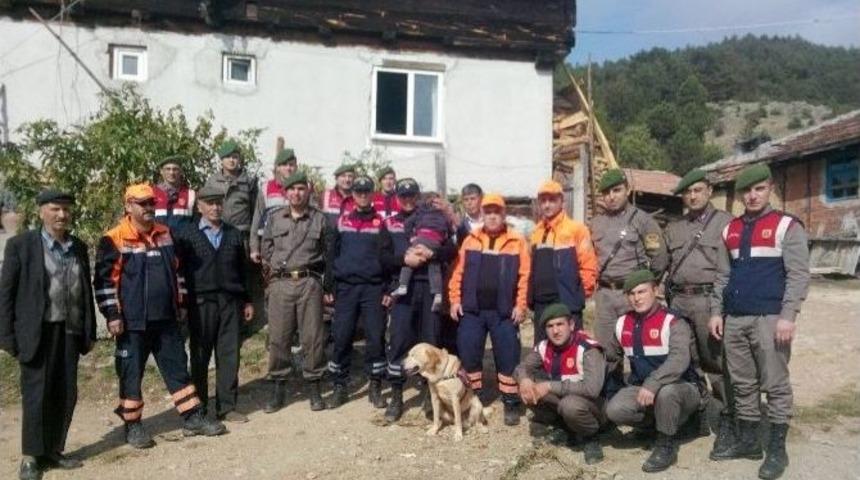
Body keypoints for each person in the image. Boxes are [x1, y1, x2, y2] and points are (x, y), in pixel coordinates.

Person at [94, 184, 226, 449]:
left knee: (178, 369)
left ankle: (193, 418)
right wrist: (112, 314)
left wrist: (182, 303)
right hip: (132, 324)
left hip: (166, 319)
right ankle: (133, 426)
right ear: (128, 206)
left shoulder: (166, 234)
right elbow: (105, 283)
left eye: (151, 203)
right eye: (142, 203)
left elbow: (178, 274)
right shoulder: (114, 238)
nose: (148, 208)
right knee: (131, 374)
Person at [708, 164, 809, 480]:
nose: (752, 196)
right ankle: (749, 442)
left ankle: (777, 449)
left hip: (770, 319)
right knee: (742, 384)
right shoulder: (731, 229)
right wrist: (715, 311)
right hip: (735, 319)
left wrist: (788, 316)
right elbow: (723, 276)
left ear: (771, 189)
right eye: (746, 191)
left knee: (776, 383)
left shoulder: (787, 226)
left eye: (759, 189)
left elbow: (798, 275)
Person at [0, 191, 96, 480]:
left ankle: (53, 450)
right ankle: (31, 456)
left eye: (66, 210)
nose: (61, 215)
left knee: (65, 393)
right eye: (55, 209)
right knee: (36, 394)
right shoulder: (21, 245)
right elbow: (6, 292)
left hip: (69, 329)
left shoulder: (77, 246)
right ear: (41, 211)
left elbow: (85, 291)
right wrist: (6, 335)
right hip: (36, 331)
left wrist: (89, 330)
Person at [605, 270, 702, 473]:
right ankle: (654, 426)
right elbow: (612, 359)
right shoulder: (622, 323)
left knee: (667, 393)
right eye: (632, 294)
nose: (637, 298)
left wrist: (653, 383)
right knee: (615, 409)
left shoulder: (674, 321)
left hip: (682, 387)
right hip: (644, 389)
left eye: (642, 292)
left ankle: (666, 443)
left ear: (655, 291)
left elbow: (680, 359)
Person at [174, 185, 254, 423]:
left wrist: (247, 299)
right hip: (200, 303)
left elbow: (243, 271)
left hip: (229, 302)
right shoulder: (187, 235)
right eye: (210, 203)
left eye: (219, 203)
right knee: (200, 355)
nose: (215, 207)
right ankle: (199, 408)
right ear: (199, 207)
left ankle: (227, 407)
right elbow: (179, 271)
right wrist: (182, 302)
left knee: (229, 355)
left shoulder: (233, 234)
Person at [448, 193, 530, 426]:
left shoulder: (517, 241)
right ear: (482, 214)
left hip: (504, 312)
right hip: (473, 311)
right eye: (488, 212)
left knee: (508, 356)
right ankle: (475, 397)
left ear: (503, 214)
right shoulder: (470, 239)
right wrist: (455, 299)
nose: (492, 216)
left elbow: (525, 276)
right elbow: (458, 273)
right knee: (470, 354)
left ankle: (511, 402)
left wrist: (520, 305)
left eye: (497, 212)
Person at [663, 168, 733, 441]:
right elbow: (662, 266)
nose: (692, 197)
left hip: (708, 301)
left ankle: (729, 417)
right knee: (685, 362)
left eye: (697, 190)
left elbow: (733, 268)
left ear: (709, 191)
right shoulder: (674, 228)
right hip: (678, 301)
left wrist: (722, 307)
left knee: (715, 362)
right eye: (687, 192)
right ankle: (697, 415)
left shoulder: (726, 223)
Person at [382, 179, 457, 423]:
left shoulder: (433, 217)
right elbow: (381, 258)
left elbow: (452, 250)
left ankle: (429, 395)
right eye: (403, 196)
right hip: (404, 291)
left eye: (412, 195)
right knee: (399, 340)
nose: (407, 200)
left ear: (418, 196)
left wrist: (433, 253)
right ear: (396, 197)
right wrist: (405, 261)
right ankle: (396, 395)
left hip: (430, 289)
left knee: (430, 341)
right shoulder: (389, 223)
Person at [590, 169, 668, 391]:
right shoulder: (596, 223)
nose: (611, 196)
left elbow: (659, 257)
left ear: (627, 190)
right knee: (606, 348)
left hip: (632, 295)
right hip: (605, 295)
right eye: (606, 192)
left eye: (617, 190)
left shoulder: (643, 221)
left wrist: (646, 287)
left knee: (638, 345)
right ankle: (611, 395)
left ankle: (643, 392)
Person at [261, 171, 332, 413]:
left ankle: (315, 388)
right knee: (279, 338)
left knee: (313, 338)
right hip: (280, 284)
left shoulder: (319, 219)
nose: (296, 193)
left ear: (308, 191)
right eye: (292, 189)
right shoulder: (274, 218)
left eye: (301, 189)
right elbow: (266, 249)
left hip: (309, 283)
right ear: (285, 193)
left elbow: (326, 252)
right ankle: (278, 390)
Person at [326, 175, 393, 409]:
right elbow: (331, 254)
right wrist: (329, 286)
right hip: (346, 288)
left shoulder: (380, 223)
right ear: (352, 195)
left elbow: (388, 259)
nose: (363, 195)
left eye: (367, 192)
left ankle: (375, 386)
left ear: (372, 194)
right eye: (358, 192)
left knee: (375, 338)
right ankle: (339, 386)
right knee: (342, 337)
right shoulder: (342, 221)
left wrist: (388, 288)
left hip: (373, 289)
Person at [514, 303, 606, 465]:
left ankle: (590, 437)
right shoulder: (544, 347)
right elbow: (521, 368)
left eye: (559, 324)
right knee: (527, 388)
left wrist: (549, 386)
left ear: (571, 325)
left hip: (594, 405)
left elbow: (592, 389)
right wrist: (524, 380)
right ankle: (565, 428)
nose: (555, 331)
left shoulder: (588, 348)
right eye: (550, 326)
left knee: (569, 405)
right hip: (566, 399)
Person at [529, 180, 597, 343]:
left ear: (562, 201)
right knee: (543, 350)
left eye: (552, 200)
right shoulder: (537, 231)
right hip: (541, 304)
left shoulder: (577, 229)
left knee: (571, 349)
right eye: (543, 201)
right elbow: (532, 268)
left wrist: (579, 293)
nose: (547, 205)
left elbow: (588, 265)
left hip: (567, 301)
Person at [204, 140, 262, 331]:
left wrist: (254, 242)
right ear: (221, 160)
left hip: (241, 236)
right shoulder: (212, 181)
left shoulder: (249, 182)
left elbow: (256, 213)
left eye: (235, 157)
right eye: (228, 157)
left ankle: (244, 322)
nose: (232, 160)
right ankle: (221, 323)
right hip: (218, 235)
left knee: (242, 278)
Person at [390, 191, 450, 313]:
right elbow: (449, 229)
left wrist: (411, 236)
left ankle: (403, 285)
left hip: (422, 237)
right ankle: (437, 293)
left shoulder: (420, 212)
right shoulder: (443, 215)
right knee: (434, 265)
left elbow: (407, 224)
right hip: (436, 240)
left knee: (410, 256)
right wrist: (441, 238)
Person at [249, 148, 299, 264]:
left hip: (296, 245)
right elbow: (256, 221)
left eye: (291, 165)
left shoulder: (304, 188)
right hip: (271, 245)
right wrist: (254, 248)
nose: (288, 168)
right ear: (277, 167)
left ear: (296, 167)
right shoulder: (266, 188)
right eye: (284, 165)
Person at [152, 155, 196, 232]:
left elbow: (196, 222)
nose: (171, 172)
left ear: (181, 172)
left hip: (184, 242)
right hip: (160, 241)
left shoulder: (191, 194)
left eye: (175, 169)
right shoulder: (152, 193)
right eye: (168, 169)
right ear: (161, 171)